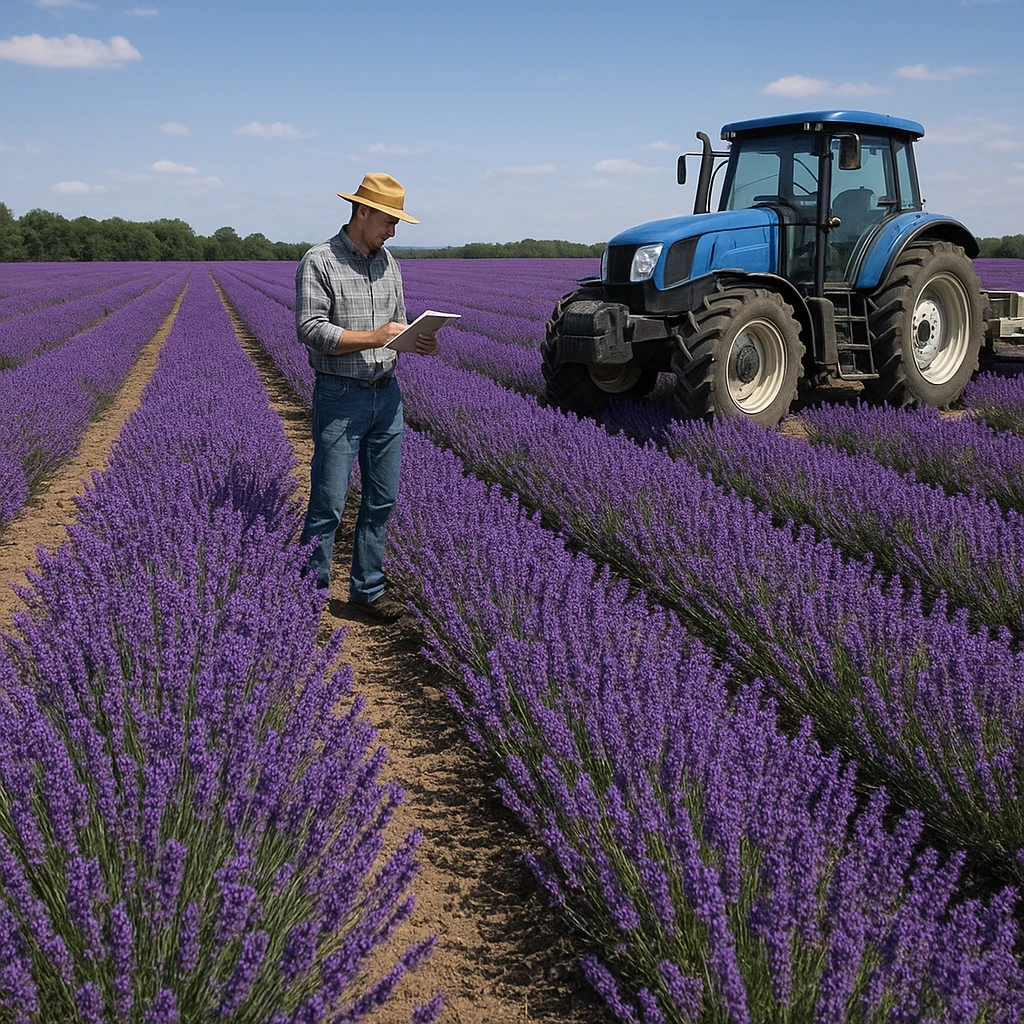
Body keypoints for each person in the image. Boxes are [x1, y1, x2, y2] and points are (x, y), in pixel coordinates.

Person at [295, 172, 437, 623]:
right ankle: (308, 601)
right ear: (362, 211)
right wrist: (375, 337)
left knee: (382, 499)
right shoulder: (320, 262)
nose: (392, 232)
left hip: (387, 395)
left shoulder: (389, 263)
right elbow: (311, 330)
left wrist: (417, 338)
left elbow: (396, 323)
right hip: (340, 396)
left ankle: (367, 592)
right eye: (389, 221)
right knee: (329, 503)